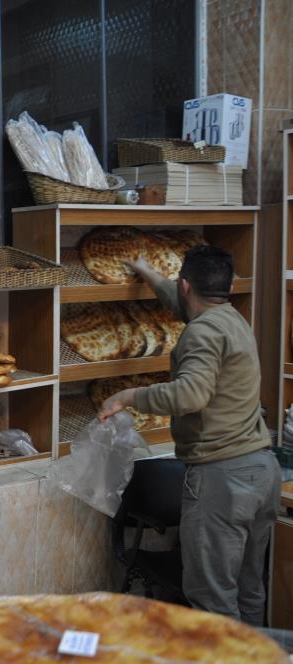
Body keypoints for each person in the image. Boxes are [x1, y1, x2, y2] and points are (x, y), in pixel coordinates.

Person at [97, 245, 281, 625]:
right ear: (226, 286)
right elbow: (183, 305)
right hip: (261, 471)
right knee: (249, 593)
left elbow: (189, 395)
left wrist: (128, 396)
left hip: (223, 480)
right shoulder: (232, 320)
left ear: (186, 286)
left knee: (213, 602)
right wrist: (147, 272)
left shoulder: (201, 334)